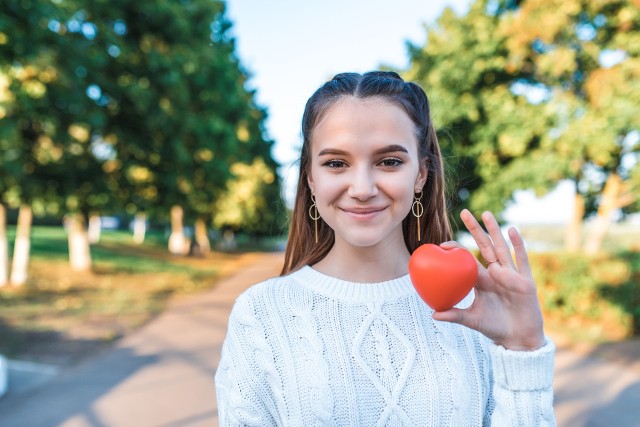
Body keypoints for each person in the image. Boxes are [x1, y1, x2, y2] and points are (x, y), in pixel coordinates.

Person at [215, 71, 556, 426]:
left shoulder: (476, 309)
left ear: (421, 174)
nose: (362, 188)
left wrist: (522, 350)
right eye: (336, 163)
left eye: (389, 161)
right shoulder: (261, 315)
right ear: (311, 179)